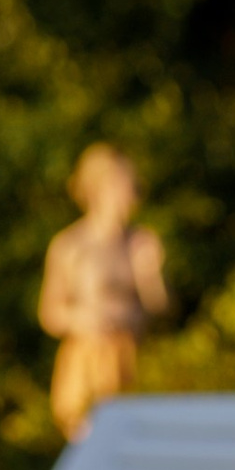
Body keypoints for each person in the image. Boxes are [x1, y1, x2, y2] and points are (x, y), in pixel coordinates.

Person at [38, 145, 167, 437]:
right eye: (124, 184)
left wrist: (151, 275)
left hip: (131, 359)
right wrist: (81, 318)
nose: (132, 192)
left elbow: (161, 311)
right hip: (86, 363)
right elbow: (49, 313)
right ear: (100, 188)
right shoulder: (70, 245)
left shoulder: (140, 242)